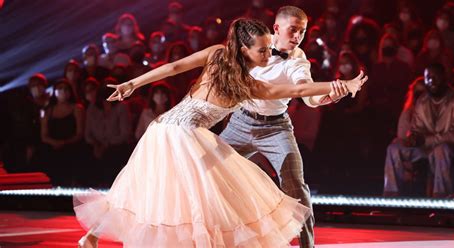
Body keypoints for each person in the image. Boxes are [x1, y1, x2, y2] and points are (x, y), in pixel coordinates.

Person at [75, 18, 367, 248]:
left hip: (162, 129)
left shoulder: (222, 59)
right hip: (181, 135)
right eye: (262, 50)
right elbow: (175, 66)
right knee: (201, 197)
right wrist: (132, 84)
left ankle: (92, 237)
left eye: (268, 48)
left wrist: (335, 86)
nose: (268, 54)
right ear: (244, 50)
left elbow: (300, 88)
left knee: (144, 188)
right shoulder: (235, 74)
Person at [219, 7, 353, 248]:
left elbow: (308, 95)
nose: (297, 37)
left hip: (275, 128)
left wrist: (331, 95)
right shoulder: (253, 44)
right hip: (240, 122)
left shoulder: (298, 59)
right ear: (277, 28)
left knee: (296, 188)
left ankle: (306, 246)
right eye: (293, 30)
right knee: (210, 173)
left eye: (302, 32)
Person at [383, 63, 454, 197]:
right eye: (428, 78)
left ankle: (440, 197)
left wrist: (426, 140)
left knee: (440, 150)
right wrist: (413, 137)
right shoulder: (422, 101)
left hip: (452, 148)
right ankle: (391, 195)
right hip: (425, 147)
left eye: (436, 77)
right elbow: (417, 129)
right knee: (394, 148)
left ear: (444, 78)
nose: (432, 81)